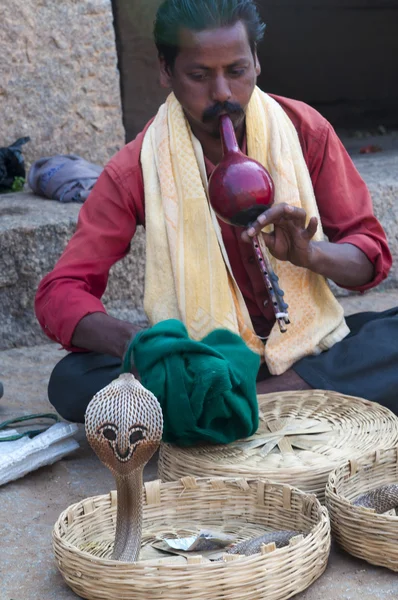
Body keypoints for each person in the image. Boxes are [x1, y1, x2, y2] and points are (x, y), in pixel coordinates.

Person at [35, 0, 396, 425]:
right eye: (199, 75)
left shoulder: (305, 131)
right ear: (166, 72)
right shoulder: (135, 167)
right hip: (203, 362)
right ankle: (286, 402)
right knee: (72, 380)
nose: (223, 92)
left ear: (257, 63)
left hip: (309, 349)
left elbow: (370, 257)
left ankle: (247, 405)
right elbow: (60, 292)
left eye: (237, 70)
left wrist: (310, 254)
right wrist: (138, 341)